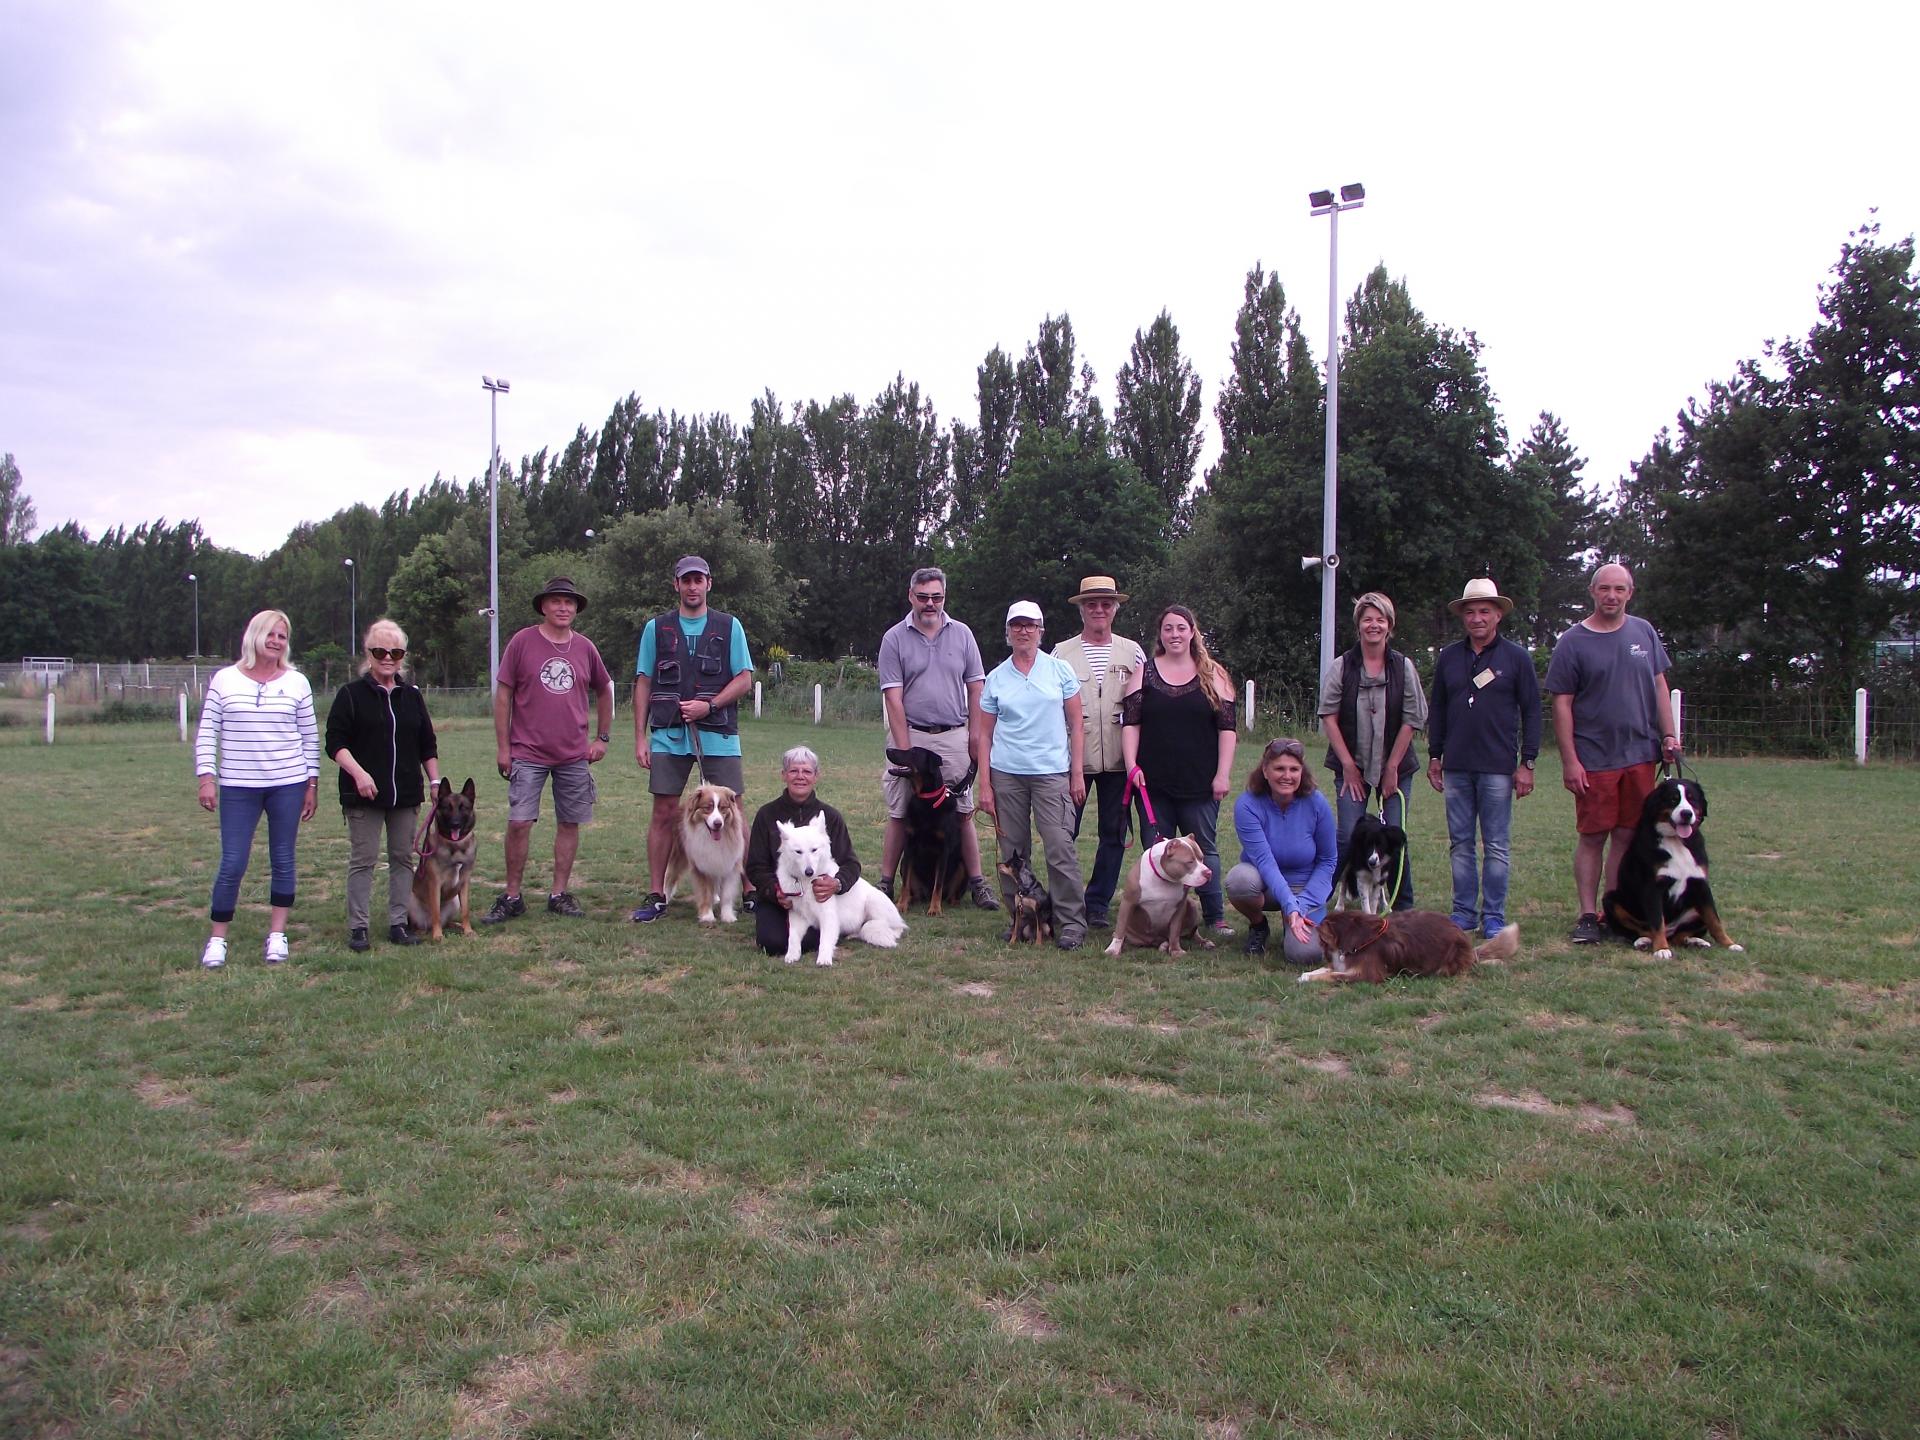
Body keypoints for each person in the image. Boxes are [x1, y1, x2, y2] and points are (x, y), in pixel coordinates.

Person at [1545, 563, 1679, 944]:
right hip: (1594, 759)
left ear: (1630, 593)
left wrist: (1668, 735)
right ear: (1592, 591)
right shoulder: (1572, 642)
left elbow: (1659, 685)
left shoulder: (1644, 632)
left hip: (1640, 755)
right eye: (1605, 589)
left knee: (1625, 835)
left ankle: (1613, 910)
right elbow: (1562, 704)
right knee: (1593, 837)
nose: (1612, 596)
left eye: (1619, 589)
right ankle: (1587, 916)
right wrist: (1570, 760)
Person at [628, 555, 757, 923]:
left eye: (698, 580)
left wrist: (709, 705)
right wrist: (639, 737)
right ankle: (657, 894)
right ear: (677, 586)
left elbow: (744, 679)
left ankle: (748, 888)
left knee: (735, 811)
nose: (692, 586)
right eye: (686, 580)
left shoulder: (729, 627)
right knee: (664, 813)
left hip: (718, 733)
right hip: (668, 734)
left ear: (708, 584)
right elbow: (643, 682)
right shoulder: (656, 629)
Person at [480, 576, 614, 924]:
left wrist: (602, 738)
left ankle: (559, 894)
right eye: (556, 601)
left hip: (573, 754)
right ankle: (512, 896)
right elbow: (504, 696)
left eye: (569, 603)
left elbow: (605, 689)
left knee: (569, 823)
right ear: (543, 606)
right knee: (519, 822)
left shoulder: (585, 648)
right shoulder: (522, 642)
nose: (563, 608)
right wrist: (502, 747)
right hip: (527, 752)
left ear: (576, 609)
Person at [193, 609, 319, 968]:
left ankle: (277, 934)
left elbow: (310, 737)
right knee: (233, 862)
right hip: (238, 786)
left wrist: (312, 784)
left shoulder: (297, 683)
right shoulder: (225, 680)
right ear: (254, 636)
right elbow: (207, 732)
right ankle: (218, 939)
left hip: (288, 784)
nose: (276, 642)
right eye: (271, 634)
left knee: (283, 858)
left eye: (282, 636)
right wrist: (206, 777)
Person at [876, 566, 999, 910]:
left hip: (953, 736)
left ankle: (977, 883)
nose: (930, 604)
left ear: (944, 597)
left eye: (937, 597)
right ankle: (886, 882)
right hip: (911, 733)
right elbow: (893, 697)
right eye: (923, 597)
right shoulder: (894, 638)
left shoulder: (962, 634)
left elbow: (977, 688)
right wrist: (903, 748)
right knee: (900, 812)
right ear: (911, 596)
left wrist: (975, 736)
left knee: (962, 811)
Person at [1426, 578, 1541, 939]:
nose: (1477, 618)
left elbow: (1533, 711)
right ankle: (1463, 912)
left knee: (1495, 845)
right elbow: (1439, 708)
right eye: (1471, 612)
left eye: (1484, 612)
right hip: (1456, 766)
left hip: (1497, 768)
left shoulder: (1516, 658)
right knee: (1460, 844)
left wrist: (1528, 763)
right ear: (1463, 617)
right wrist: (1434, 755)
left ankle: (1493, 915)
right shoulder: (1448, 657)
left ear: (1498, 616)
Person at [976, 601, 1088, 950]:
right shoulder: (995, 679)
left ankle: (1071, 923)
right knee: (1012, 851)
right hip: (1006, 774)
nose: (1023, 631)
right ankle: (1020, 919)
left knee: (1059, 848)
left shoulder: (1060, 671)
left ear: (1041, 631)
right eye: (1016, 625)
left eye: (1030, 625)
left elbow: (1076, 725)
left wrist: (1077, 773)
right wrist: (985, 785)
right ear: (1008, 632)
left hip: (1052, 774)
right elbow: (984, 735)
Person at [1120, 604, 1238, 934]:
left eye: (1181, 628)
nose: (1175, 634)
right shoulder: (1144, 673)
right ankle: (1155, 920)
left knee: (1204, 850)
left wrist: (1223, 774)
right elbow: (1131, 723)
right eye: (1168, 628)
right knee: (1157, 852)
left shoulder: (1214, 674)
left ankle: (1215, 917)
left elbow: (1227, 729)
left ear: (1192, 632)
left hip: (1200, 783)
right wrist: (1131, 766)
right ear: (1160, 634)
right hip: (1152, 783)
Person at [325, 619, 442, 952]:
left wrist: (434, 780)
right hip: (363, 795)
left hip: (405, 793)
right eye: (380, 651)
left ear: (403, 655)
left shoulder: (412, 696)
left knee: (403, 858)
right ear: (368, 653)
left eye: (395, 652)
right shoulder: (351, 695)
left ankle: (397, 923)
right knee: (363, 859)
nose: (388, 658)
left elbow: (427, 744)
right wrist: (359, 774)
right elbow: (335, 743)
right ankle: (358, 927)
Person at [1319, 590, 1427, 911]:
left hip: (1395, 766)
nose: (1374, 625)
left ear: (1389, 625)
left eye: (1380, 619)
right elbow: (1328, 715)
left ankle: (1402, 906)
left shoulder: (1403, 666)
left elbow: (1413, 717)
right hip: (1351, 766)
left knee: (1395, 837)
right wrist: (1348, 766)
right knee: (1346, 836)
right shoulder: (1342, 666)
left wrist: (1392, 766)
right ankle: (1322, 902)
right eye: (1367, 619)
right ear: (1359, 626)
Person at [1051, 575, 1147, 929]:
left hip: (1120, 761)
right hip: (1074, 759)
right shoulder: (1061, 653)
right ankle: (1065, 901)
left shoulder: (1132, 651)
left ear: (1115, 609)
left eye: (1106, 603)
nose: (1099, 609)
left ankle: (1097, 905)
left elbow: (1142, 703)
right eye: (1092, 603)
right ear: (1081, 609)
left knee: (1113, 835)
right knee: (1064, 833)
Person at [1226, 738, 1337, 966]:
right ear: (1265, 770)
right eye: (1279, 768)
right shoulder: (1247, 804)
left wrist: (1301, 905)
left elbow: (1328, 860)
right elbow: (1265, 861)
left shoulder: (1317, 802)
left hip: (1305, 886)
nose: (1287, 776)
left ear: (1301, 772)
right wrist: (1289, 905)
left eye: (1294, 769)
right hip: (1264, 882)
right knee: (1239, 880)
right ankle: (1259, 925)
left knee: (1305, 955)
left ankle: (1295, 925)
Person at [744, 746, 863, 958]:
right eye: (793, 771)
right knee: (771, 943)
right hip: (781, 897)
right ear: (783, 775)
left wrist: (836, 884)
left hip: (819, 898)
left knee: (814, 931)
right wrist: (775, 891)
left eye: (807, 771)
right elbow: (755, 867)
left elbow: (851, 864)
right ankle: (832, 931)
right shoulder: (767, 815)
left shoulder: (830, 817)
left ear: (816, 776)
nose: (800, 777)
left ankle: (835, 929)